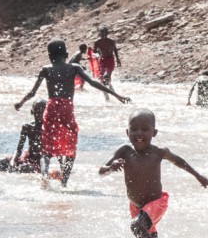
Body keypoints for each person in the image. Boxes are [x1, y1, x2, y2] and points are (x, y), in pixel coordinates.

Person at [99, 109, 208, 238]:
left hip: (157, 203)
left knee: (137, 227)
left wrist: (198, 175)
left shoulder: (158, 152)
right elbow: (101, 171)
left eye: (145, 129)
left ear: (154, 133)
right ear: (127, 132)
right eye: (134, 129)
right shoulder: (124, 152)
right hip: (136, 206)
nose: (139, 134)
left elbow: (179, 161)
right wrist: (111, 166)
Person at [14, 39, 130, 187]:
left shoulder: (46, 69)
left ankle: (44, 176)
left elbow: (32, 92)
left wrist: (21, 102)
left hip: (51, 108)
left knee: (47, 149)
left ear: (49, 56)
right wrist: (116, 95)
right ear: (67, 54)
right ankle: (64, 182)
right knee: (70, 147)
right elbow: (93, 83)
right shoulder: (73, 67)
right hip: (67, 108)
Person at [0, 98, 46, 173]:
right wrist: (13, 161)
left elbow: (56, 150)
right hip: (26, 157)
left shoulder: (48, 129)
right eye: (37, 109)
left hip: (40, 162)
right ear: (32, 111)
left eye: (42, 110)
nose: (39, 112)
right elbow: (19, 149)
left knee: (23, 169)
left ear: (47, 112)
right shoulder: (27, 127)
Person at [93, 26, 122, 101]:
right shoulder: (97, 42)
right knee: (104, 81)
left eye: (105, 33)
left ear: (107, 33)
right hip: (102, 61)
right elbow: (94, 52)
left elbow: (115, 50)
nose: (103, 34)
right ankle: (107, 99)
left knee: (106, 76)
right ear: (99, 34)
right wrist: (97, 55)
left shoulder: (111, 41)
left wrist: (118, 59)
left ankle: (113, 94)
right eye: (102, 33)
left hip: (110, 60)